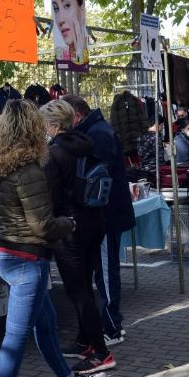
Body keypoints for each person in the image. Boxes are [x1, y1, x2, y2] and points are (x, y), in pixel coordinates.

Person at [0, 99, 108, 377]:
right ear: (32, 128)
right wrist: (69, 223)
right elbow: (42, 225)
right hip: (26, 258)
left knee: (45, 323)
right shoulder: (28, 169)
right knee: (16, 336)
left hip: (7, 254)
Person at [41, 100, 115, 373]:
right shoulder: (86, 143)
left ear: (55, 124)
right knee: (85, 283)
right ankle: (86, 340)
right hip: (94, 221)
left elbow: (52, 196)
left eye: (45, 123)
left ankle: (101, 351)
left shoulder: (54, 153)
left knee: (79, 291)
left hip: (70, 227)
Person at [63, 95, 136, 345]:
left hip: (107, 215)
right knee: (103, 271)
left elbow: (96, 176)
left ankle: (112, 327)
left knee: (105, 271)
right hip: (105, 214)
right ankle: (111, 323)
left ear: (77, 115)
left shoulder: (99, 133)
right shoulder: (96, 130)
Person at [50, 0, 88, 69]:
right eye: (56, 9)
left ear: (81, 5)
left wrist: (80, 55)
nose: (61, 20)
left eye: (67, 5)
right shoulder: (61, 55)